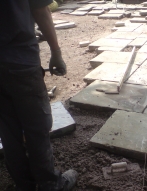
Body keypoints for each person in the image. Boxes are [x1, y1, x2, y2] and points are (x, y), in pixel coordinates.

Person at [0, 1, 78, 191]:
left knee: (7, 129)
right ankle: (49, 184)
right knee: (37, 126)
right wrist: (56, 52)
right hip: (21, 61)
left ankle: (24, 184)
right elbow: (41, 10)